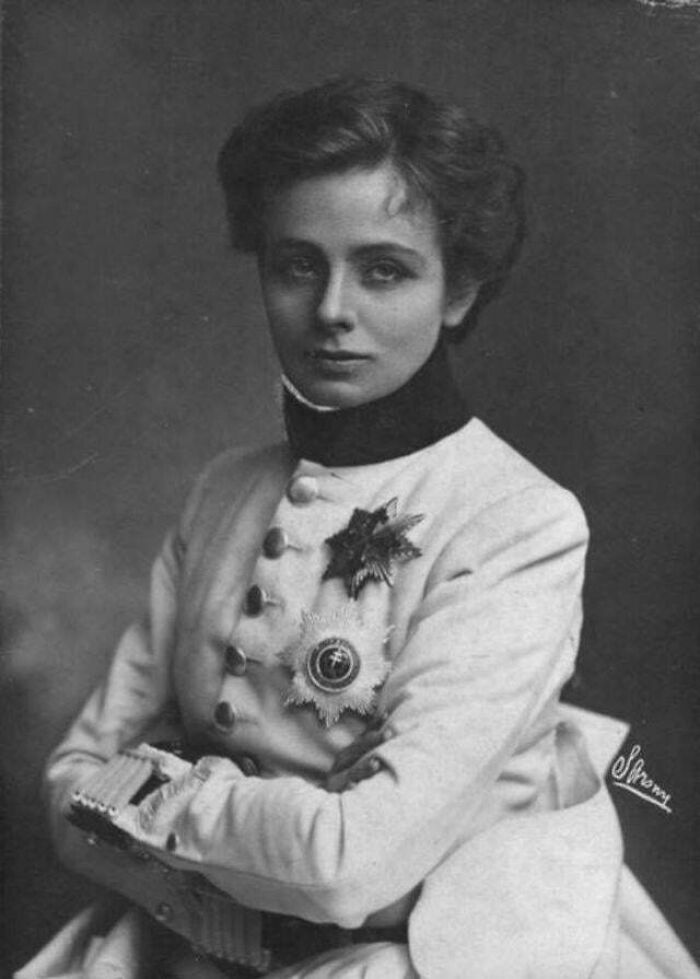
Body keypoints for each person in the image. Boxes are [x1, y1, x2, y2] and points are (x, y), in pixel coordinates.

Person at [19, 77, 699, 979]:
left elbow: (351, 869)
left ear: (457, 292)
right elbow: (72, 780)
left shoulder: (518, 523)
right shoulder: (224, 489)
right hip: (184, 934)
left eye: (384, 269)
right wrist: (192, 897)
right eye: (298, 264)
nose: (333, 309)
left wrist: (159, 798)